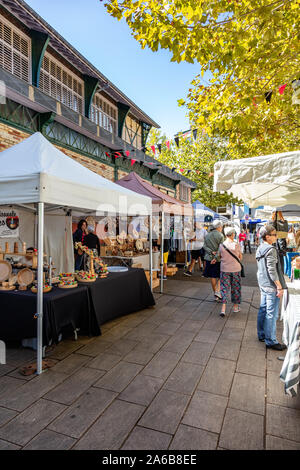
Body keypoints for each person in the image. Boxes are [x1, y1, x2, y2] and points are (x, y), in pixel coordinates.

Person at [256, 224, 287, 350]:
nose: (276, 237)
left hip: (263, 282)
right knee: (271, 313)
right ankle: (271, 341)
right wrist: (279, 286)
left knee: (263, 309)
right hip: (270, 284)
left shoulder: (260, 248)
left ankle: (262, 334)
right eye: (274, 235)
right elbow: (272, 270)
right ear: (267, 236)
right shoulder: (271, 249)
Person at [218, 227, 242, 317]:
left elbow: (220, 256)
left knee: (224, 288)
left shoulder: (221, 245)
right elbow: (240, 257)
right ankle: (235, 307)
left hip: (224, 269)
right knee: (236, 288)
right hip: (235, 269)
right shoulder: (236, 245)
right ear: (232, 234)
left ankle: (223, 309)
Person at [203, 220, 224, 301]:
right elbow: (220, 248)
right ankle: (217, 292)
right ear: (219, 227)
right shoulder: (220, 236)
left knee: (212, 276)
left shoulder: (208, 235)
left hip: (208, 258)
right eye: (221, 227)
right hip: (218, 259)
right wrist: (215, 257)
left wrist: (210, 251)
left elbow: (204, 246)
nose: (221, 228)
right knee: (221, 275)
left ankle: (216, 293)